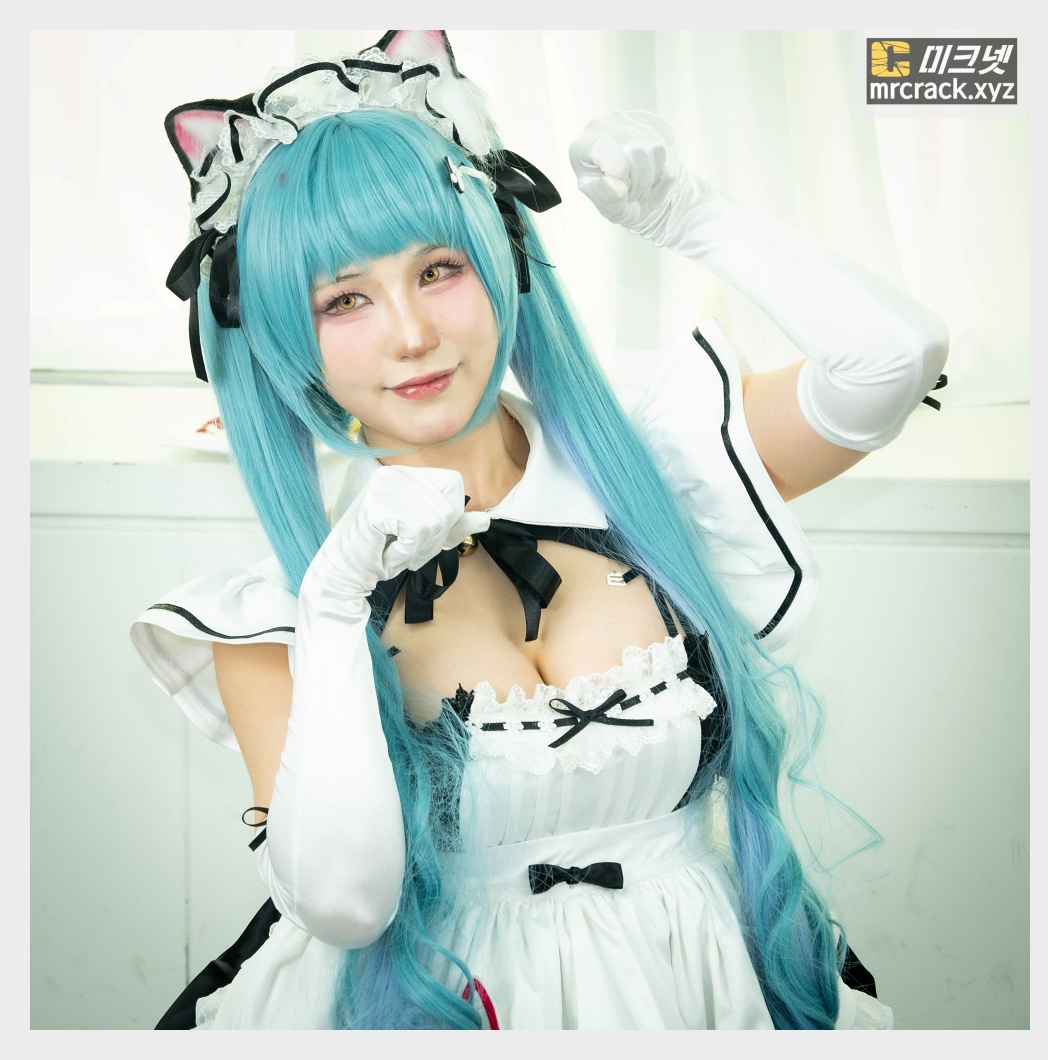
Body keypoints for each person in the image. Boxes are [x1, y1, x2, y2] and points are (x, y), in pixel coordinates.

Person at [131, 31, 947, 1030]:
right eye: (343, 299)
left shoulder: (659, 477)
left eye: (439, 269)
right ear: (280, 338)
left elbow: (893, 356)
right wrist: (335, 606)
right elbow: (347, 907)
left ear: (503, 258)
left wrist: (692, 217)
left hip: (699, 989)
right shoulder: (274, 615)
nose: (411, 334)